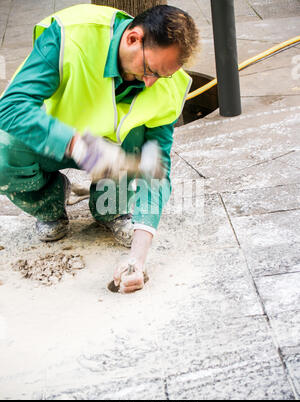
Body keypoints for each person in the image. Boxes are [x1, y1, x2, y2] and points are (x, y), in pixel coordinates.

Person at [0, 4, 199, 293]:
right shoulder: (71, 35)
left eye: (161, 75)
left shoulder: (167, 85)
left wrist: (138, 258)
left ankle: (112, 209)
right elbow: (11, 107)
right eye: (148, 69)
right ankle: (50, 203)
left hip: (114, 153)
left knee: (138, 148)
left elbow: (157, 171)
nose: (150, 82)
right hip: (51, 137)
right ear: (133, 38)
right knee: (3, 156)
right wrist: (79, 146)